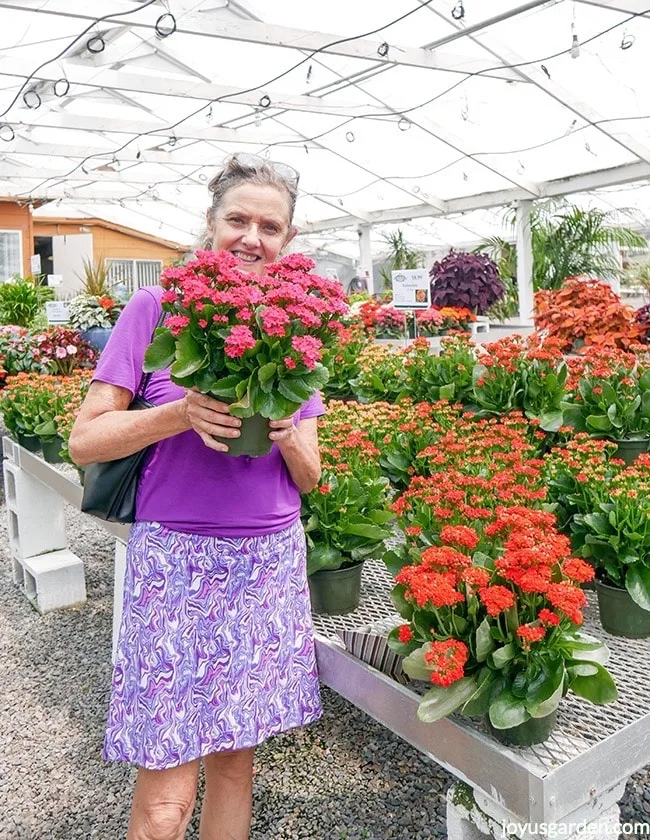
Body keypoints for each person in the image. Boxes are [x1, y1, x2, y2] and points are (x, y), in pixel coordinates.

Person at [69, 153, 324, 840]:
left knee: (236, 764)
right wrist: (180, 414)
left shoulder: (296, 328)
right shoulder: (157, 309)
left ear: (288, 241)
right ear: (209, 225)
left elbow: (311, 477)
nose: (251, 237)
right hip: (176, 564)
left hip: (266, 564)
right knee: (164, 795)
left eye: (269, 226)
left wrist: (288, 431)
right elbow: (85, 441)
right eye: (237, 219)